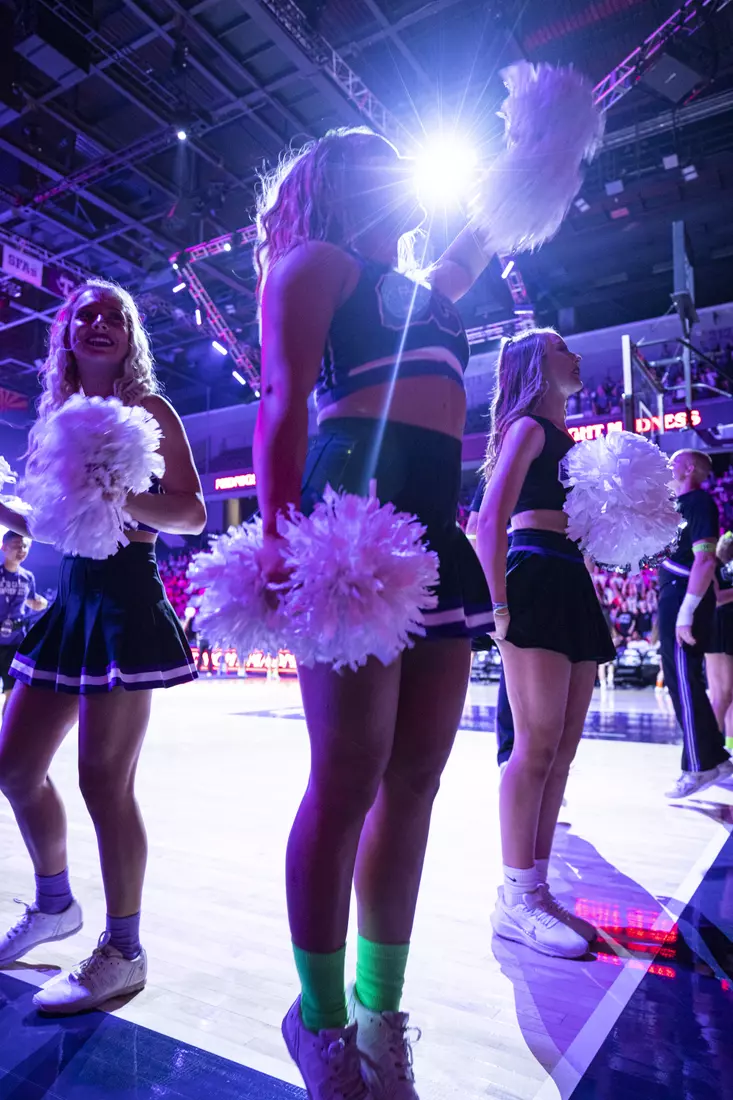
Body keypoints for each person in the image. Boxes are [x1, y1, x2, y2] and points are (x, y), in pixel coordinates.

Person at [254, 126, 495, 1099]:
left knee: (416, 780)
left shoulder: (428, 290)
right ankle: (317, 1020)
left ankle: (378, 1010)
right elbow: (281, 397)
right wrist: (276, 535)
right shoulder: (314, 262)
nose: (398, 176)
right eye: (374, 162)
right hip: (350, 523)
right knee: (347, 773)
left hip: (432, 525)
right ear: (336, 182)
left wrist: (540, 145)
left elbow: (490, 223)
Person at [0, 279, 206, 1014]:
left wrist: (118, 497)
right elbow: (55, 521)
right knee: (15, 766)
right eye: (85, 313)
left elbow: (189, 510)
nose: (99, 323)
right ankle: (55, 904)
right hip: (72, 601)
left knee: (102, 782)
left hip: (123, 602)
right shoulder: (56, 418)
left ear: (131, 337)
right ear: (65, 333)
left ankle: (124, 949)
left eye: (115, 316)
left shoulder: (149, 410)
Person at [476, 329, 616, 959]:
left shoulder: (566, 439)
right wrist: (497, 605)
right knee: (533, 747)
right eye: (563, 348)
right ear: (536, 364)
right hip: (531, 571)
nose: (577, 356)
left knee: (560, 749)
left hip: (568, 574)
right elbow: (489, 518)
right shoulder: (527, 428)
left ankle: (536, 886)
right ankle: (515, 896)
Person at [659, 450, 732, 799]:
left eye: (673, 462)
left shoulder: (699, 502)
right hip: (676, 594)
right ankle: (714, 758)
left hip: (683, 596)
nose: (668, 468)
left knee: (684, 683)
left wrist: (687, 610)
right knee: (682, 681)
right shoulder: (680, 506)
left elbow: (705, 559)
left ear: (689, 468)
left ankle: (698, 765)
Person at [467, 482, 514, 771]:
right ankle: (511, 760)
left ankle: (513, 760)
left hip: (515, 572)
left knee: (515, 673)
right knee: (514, 671)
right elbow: (475, 526)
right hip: (513, 572)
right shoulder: (497, 471)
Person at [0, 532, 47, 710]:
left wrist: (40, 603)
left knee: (11, 693)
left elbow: (33, 601)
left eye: (25, 546)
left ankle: (5, 736)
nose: (21, 549)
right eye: (16, 544)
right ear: (3, 547)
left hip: (15, 641)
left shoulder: (27, 577)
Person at [705, 532, 733, 754]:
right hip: (718, 629)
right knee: (721, 693)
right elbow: (714, 598)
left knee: (730, 693)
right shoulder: (710, 565)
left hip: (728, 628)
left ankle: (729, 746)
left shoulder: (727, 567)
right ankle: (711, 751)